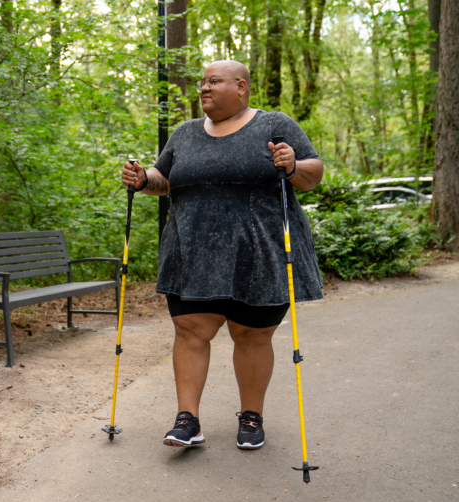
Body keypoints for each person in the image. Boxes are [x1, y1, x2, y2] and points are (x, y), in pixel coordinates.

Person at [121, 60, 324, 450]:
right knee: (191, 330)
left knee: (250, 335)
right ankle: (188, 420)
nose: (204, 88)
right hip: (191, 253)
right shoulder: (185, 133)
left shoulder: (273, 125)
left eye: (213, 81)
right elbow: (164, 180)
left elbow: (313, 174)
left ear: (242, 87)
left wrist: (293, 164)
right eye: (202, 83)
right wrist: (144, 178)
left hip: (260, 254)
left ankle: (251, 417)